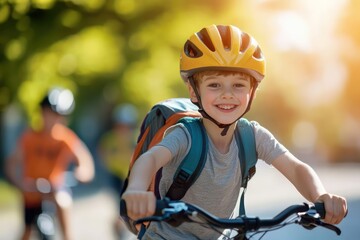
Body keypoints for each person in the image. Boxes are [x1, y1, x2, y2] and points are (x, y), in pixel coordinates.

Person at [121, 25, 348, 239]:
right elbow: (150, 159)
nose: (227, 94)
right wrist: (137, 191)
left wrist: (320, 197)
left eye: (238, 85)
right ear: (193, 91)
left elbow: (296, 168)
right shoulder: (185, 135)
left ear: (253, 92)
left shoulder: (252, 136)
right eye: (214, 85)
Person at [5, 87, 95, 240]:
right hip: (32, 191)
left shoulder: (65, 138)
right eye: (48, 113)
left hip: (54, 190)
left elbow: (85, 161)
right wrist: (21, 184)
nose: (52, 119)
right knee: (26, 232)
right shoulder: (29, 138)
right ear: (41, 113)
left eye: (57, 115)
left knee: (63, 203)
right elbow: (11, 164)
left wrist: (82, 173)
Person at [98, 103, 138, 238]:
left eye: (126, 126)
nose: (123, 129)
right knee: (122, 206)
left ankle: (121, 227)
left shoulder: (136, 139)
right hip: (115, 176)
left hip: (130, 176)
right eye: (120, 125)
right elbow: (102, 151)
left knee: (128, 206)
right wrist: (109, 164)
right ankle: (119, 229)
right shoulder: (110, 138)